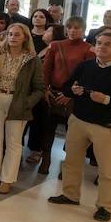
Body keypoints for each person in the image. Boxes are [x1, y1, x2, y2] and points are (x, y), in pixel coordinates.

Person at [49, 31, 111, 222]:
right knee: (71, 162)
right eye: (99, 43)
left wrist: (107, 99)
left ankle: (105, 206)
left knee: (107, 170)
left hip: (106, 126)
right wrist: (72, 90)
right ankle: (70, 195)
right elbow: (67, 87)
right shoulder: (85, 66)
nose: (102, 47)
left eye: (107, 44)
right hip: (78, 121)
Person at [0, 22, 45, 193]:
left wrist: (26, 103)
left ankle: (7, 179)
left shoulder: (32, 60)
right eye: (10, 34)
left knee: (13, 142)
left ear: (25, 38)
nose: (13, 37)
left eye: (17, 35)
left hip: (17, 102)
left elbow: (39, 88)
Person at [32, 16, 94, 172]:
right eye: (70, 27)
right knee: (47, 129)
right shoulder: (56, 45)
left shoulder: (89, 49)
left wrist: (71, 94)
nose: (72, 31)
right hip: (53, 92)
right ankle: (45, 160)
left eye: (77, 28)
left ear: (83, 30)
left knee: (73, 134)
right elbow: (46, 70)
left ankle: (68, 165)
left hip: (76, 96)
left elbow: (87, 76)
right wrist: (45, 89)